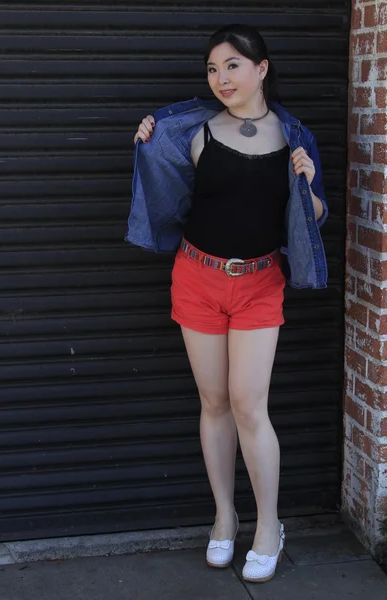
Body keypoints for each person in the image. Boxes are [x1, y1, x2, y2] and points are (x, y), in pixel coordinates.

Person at [126, 24, 328, 583]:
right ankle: (224, 515)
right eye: (213, 69)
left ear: (261, 69)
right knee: (213, 401)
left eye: (233, 65)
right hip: (197, 278)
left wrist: (309, 187)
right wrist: (148, 137)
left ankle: (269, 525)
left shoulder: (294, 138)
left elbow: (309, 222)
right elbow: (161, 182)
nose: (221, 79)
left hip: (260, 283)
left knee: (247, 404)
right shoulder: (194, 131)